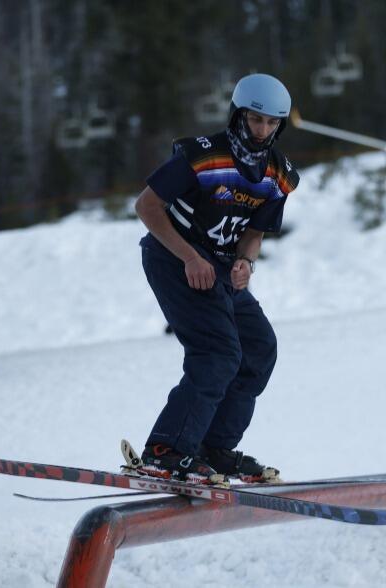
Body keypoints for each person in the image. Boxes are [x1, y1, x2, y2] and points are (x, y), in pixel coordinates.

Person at [133, 73, 299, 484]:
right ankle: (167, 451)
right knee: (218, 352)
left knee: (258, 348)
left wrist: (245, 262)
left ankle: (213, 448)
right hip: (174, 259)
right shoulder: (203, 156)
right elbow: (146, 206)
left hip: (221, 267)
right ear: (238, 115)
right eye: (255, 119)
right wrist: (190, 257)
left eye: (271, 123)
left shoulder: (277, 174)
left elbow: (254, 232)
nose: (262, 130)